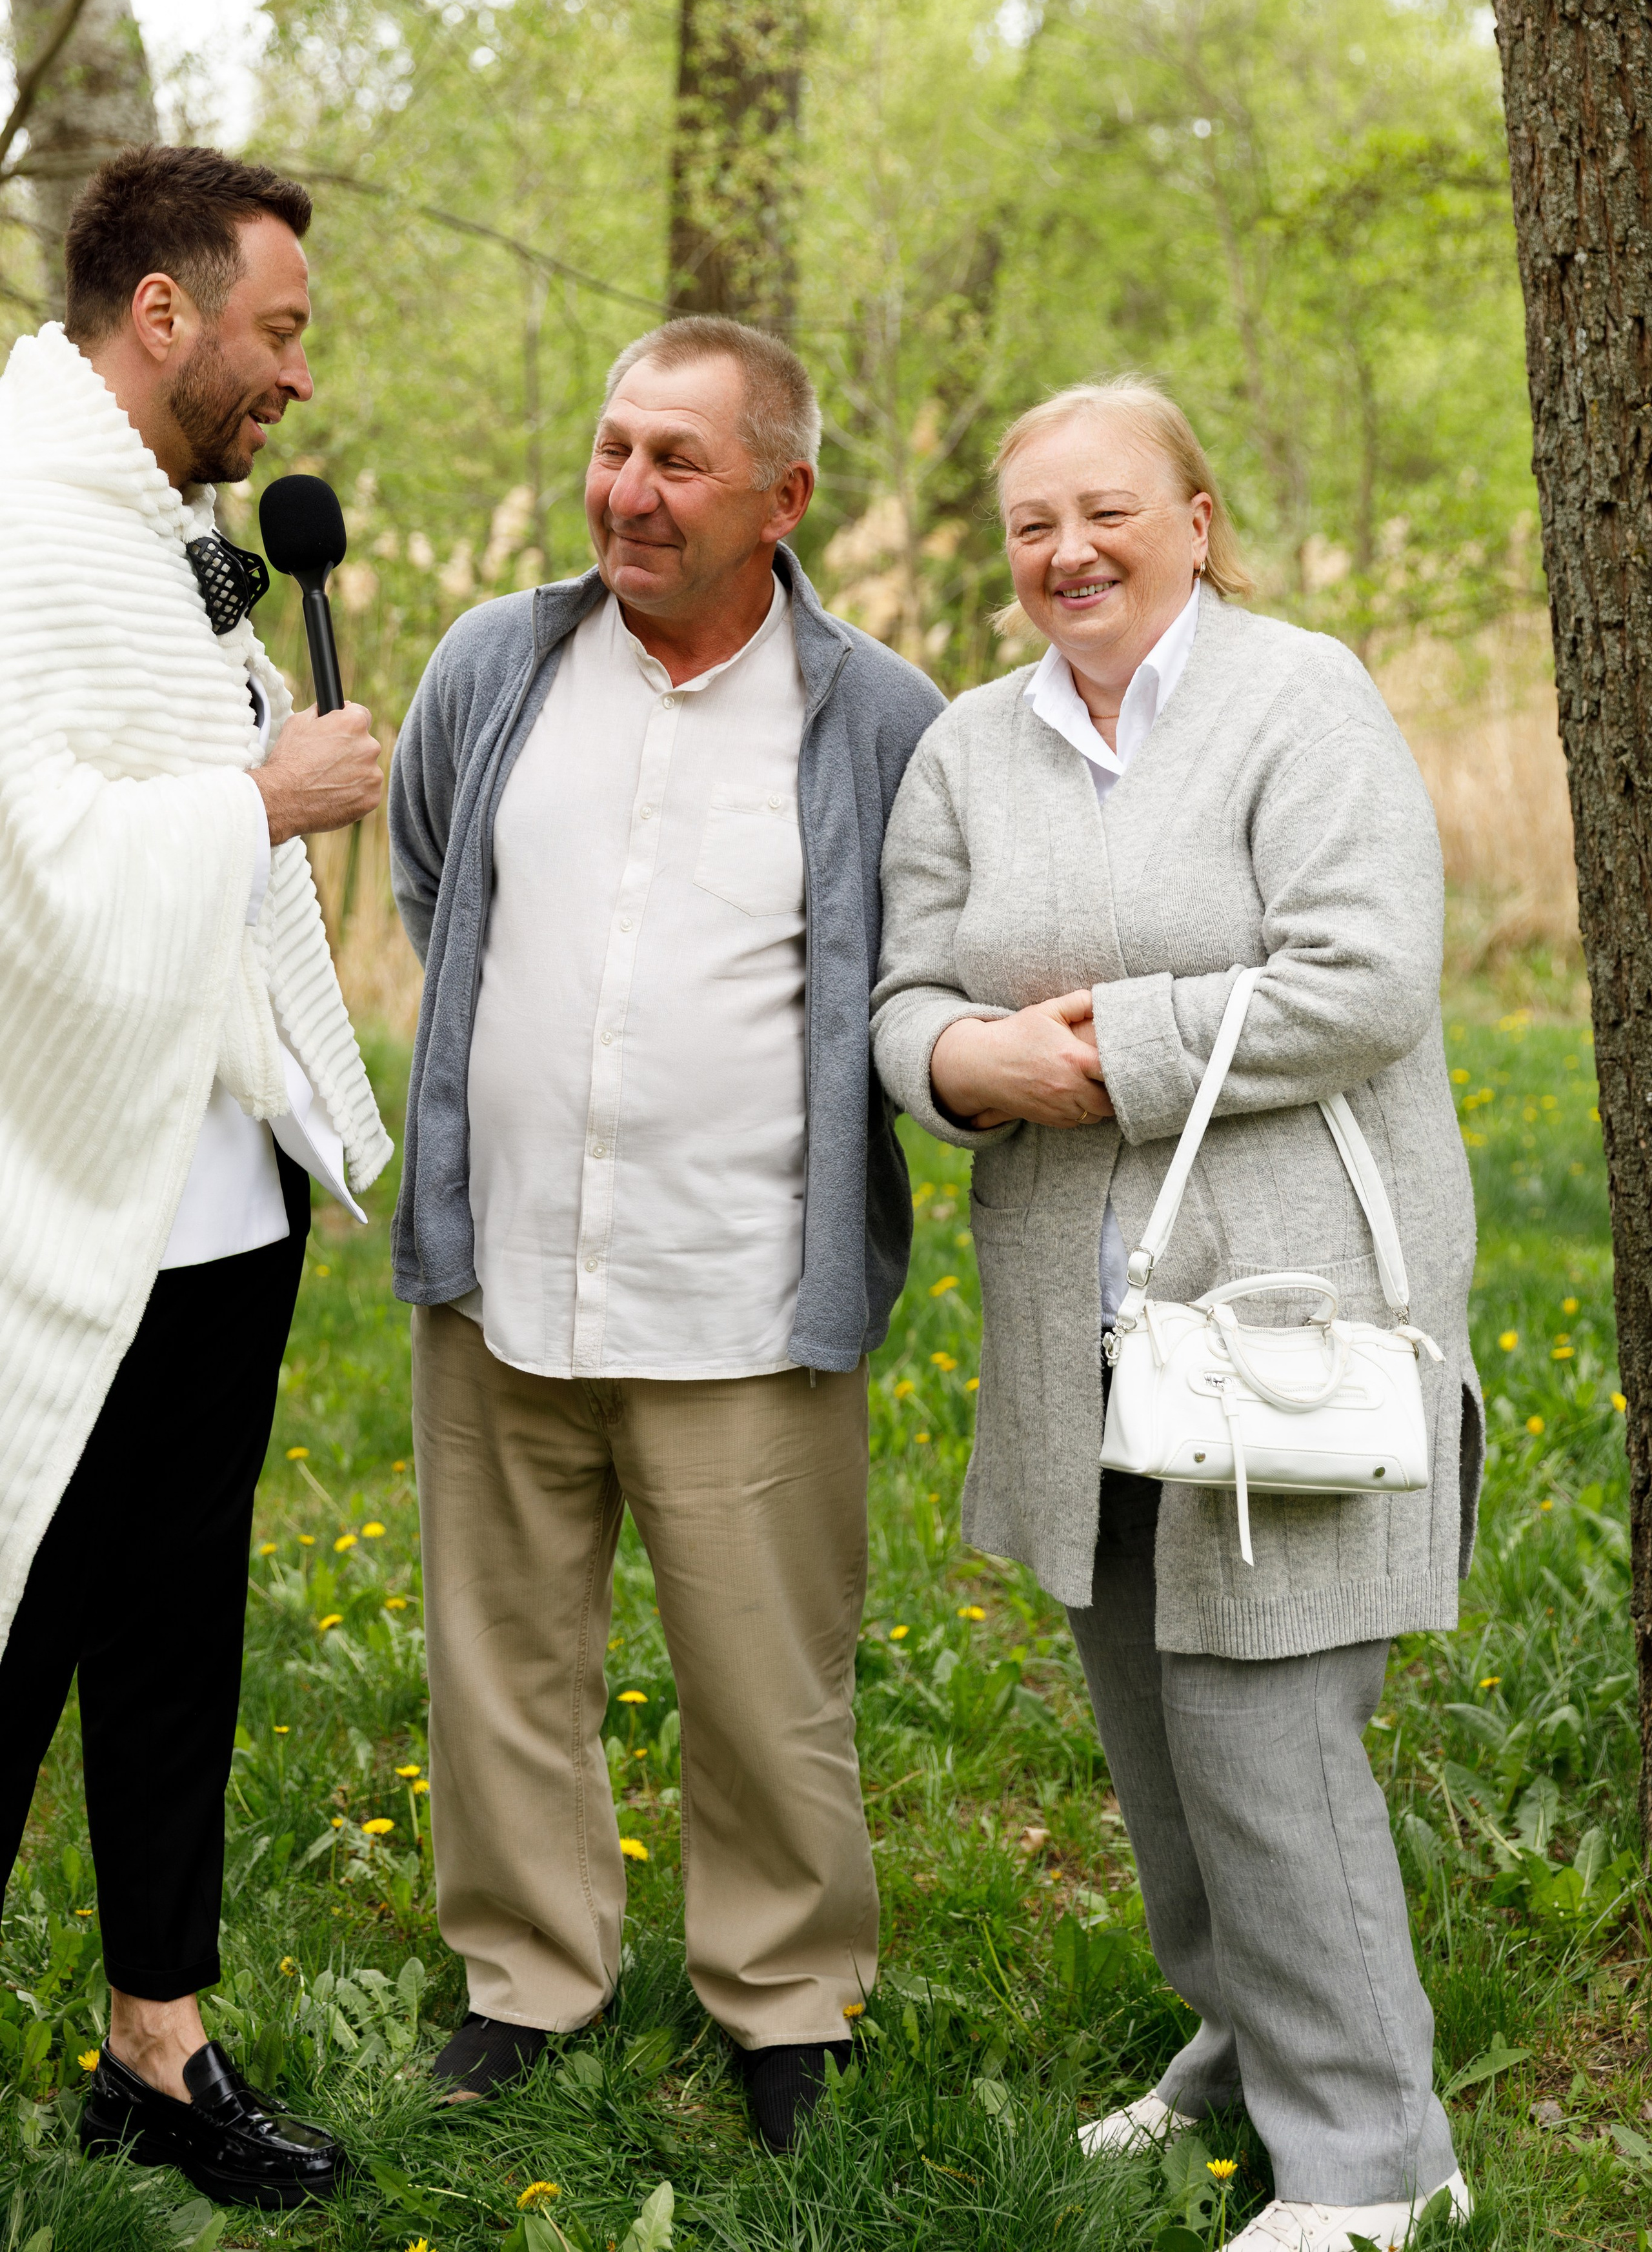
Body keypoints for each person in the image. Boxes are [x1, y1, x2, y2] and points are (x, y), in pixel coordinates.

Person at [870, 377, 1482, 2252]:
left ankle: (1380, 2164)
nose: (1070, 552)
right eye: (1036, 522)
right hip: (1082, 1320)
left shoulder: (1304, 700)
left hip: (1293, 1300)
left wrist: (1103, 1052)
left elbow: (1365, 977)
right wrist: (965, 1059)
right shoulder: (972, 746)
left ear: (1199, 519)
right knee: (1153, 1722)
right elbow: (902, 997)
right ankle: (1245, 2042)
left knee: (1263, 1724)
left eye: (1110, 512)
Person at [388, 315, 942, 2148]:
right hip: (506, 1273)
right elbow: (428, 871)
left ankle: (787, 2000)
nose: (626, 491)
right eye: (615, 446)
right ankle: (526, 1977)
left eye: (676, 461)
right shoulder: (500, 664)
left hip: (742, 1293)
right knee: (501, 1655)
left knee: (768, 1681)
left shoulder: (876, 716)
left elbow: (913, 965)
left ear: (783, 498)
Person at [0, 145, 392, 2209]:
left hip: (219, 1210)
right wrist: (261, 797)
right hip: (53, 1210)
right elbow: (28, 865)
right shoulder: (16, 524)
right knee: (10, 1649)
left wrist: (258, 766)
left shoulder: (168, 532)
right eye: (280, 329)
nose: (296, 380)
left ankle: (157, 2047)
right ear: (165, 312)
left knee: (177, 1644)